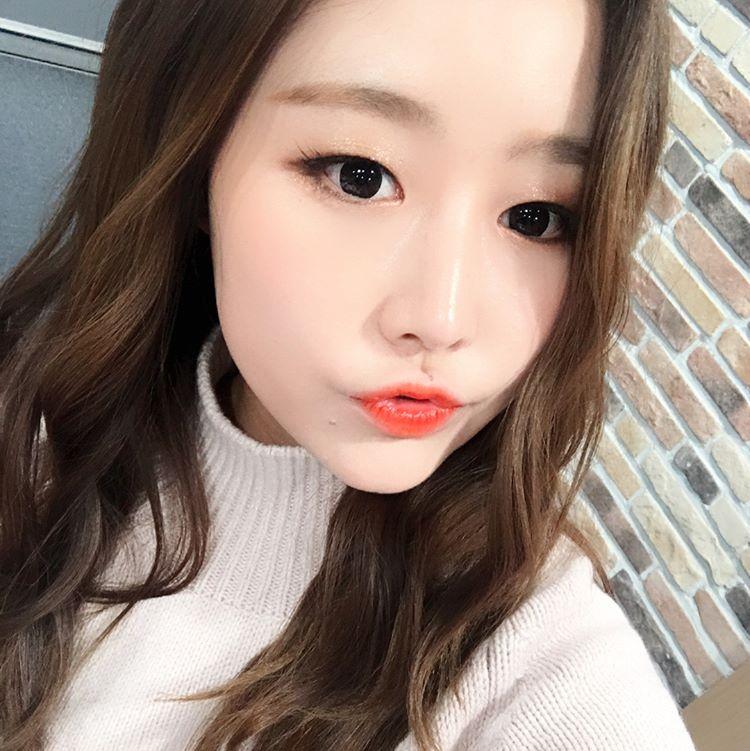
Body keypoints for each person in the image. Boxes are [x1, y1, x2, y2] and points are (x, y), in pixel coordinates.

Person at [0, 0, 698, 749]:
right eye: (360, 177)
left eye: (537, 217)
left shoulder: (548, 672)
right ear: (193, 157)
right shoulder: (36, 432)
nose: (441, 317)